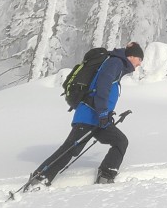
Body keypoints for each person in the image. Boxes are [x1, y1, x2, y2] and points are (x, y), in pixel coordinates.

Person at [29, 42, 144, 187]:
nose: (139, 64)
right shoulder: (115, 62)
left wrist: (105, 114)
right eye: (139, 60)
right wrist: (103, 112)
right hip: (90, 115)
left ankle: (106, 176)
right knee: (70, 149)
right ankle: (39, 179)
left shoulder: (117, 64)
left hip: (99, 118)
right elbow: (102, 87)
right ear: (131, 56)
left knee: (120, 141)